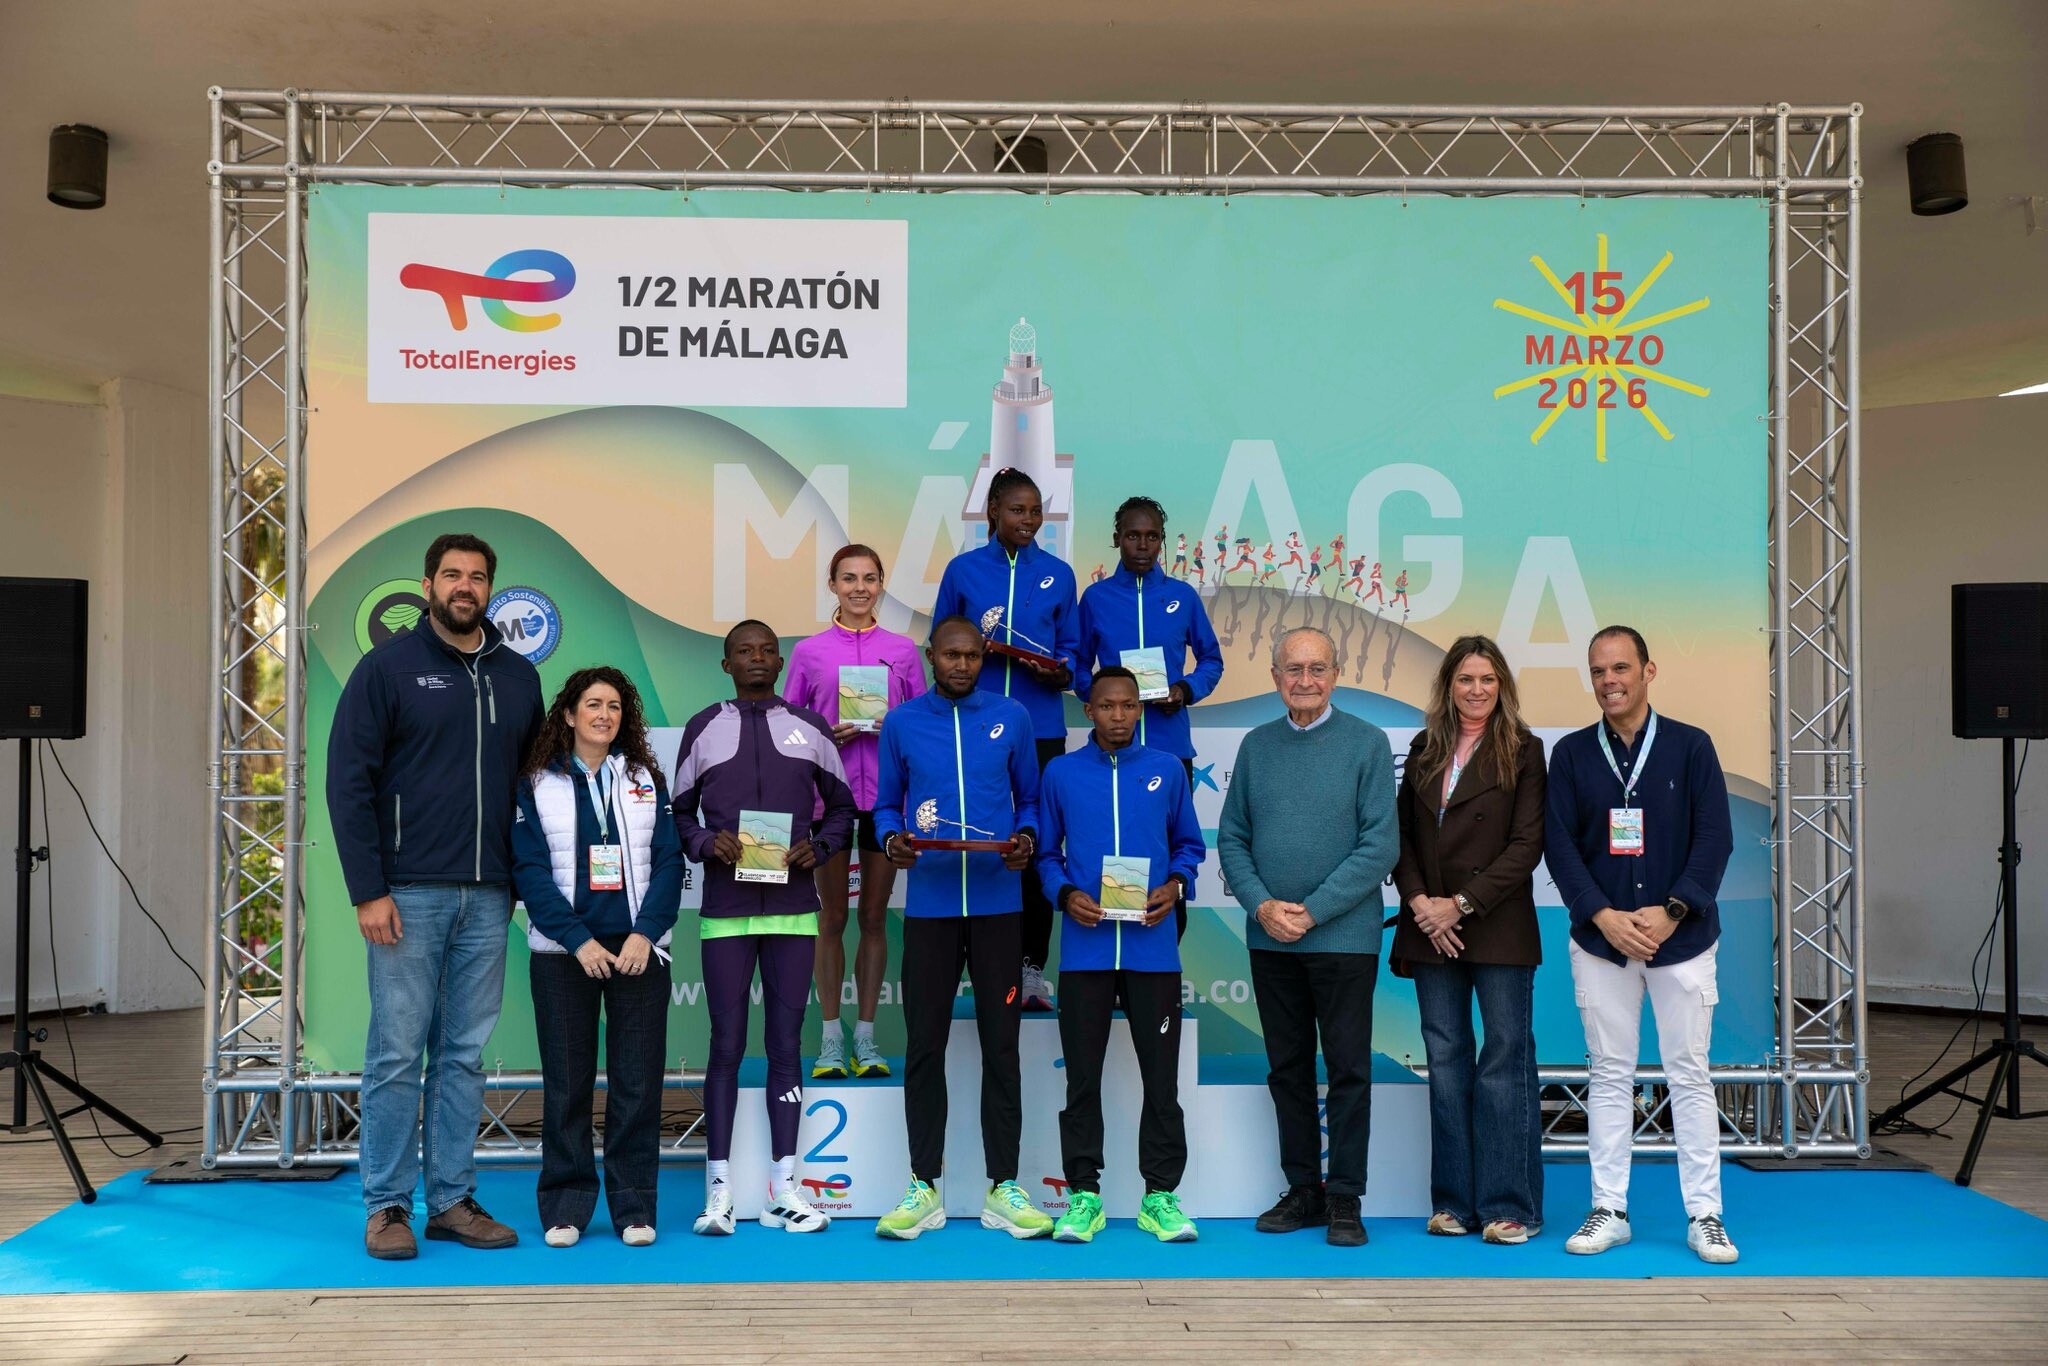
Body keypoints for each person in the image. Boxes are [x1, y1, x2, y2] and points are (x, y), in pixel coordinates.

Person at [329, 533, 544, 1262]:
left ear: (490, 589)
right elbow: (348, 782)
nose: (464, 586)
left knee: (464, 1055)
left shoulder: (518, 676)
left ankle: (451, 1200)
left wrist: (522, 883)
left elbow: (530, 789)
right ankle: (387, 1205)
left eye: (477, 577)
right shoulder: (386, 667)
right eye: (451, 574)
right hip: (407, 893)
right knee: (396, 1053)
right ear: (427, 586)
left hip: (488, 896)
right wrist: (368, 890)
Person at [1546, 625, 1738, 1265]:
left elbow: (1715, 837)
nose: (1610, 681)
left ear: (1648, 671)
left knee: (1689, 1074)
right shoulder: (1571, 755)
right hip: (1602, 942)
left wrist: (1673, 910)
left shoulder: (1691, 746)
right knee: (1609, 1075)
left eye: (1621, 668)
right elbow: (1559, 847)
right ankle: (1610, 1209)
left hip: (1682, 940)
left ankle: (1706, 1215)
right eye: (1599, 671)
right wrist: (1602, 915)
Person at [672, 621, 857, 1237]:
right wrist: (706, 842)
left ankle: (785, 1189)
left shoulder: (811, 727)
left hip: (793, 911)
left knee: (785, 1046)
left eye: (767, 650)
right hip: (726, 912)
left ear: (781, 662)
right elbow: (679, 813)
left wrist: (820, 847)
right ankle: (718, 1193)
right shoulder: (703, 727)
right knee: (725, 1048)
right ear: (726, 664)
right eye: (744, 651)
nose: (757, 658)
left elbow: (844, 809)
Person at [870, 616, 1050, 1241]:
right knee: (925, 1047)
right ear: (931, 656)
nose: (962, 665)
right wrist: (891, 839)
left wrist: (1026, 838)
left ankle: (1004, 1186)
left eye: (972, 655)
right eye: (951, 655)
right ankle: (924, 1186)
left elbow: (1031, 802)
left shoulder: (1012, 717)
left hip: (1000, 908)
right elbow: (885, 806)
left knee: (1003, 1047)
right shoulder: (901, 722)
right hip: (931, 911)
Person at [1217, 625, 1397, 1248]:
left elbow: (1380, 846)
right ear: (1275, 678)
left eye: (1317, 668)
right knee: (1287, 1069)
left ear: (1336, 675)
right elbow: (1232, 838)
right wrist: (1263, 906)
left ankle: (1344, 1195)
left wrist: (1312, 912)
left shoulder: (1368, 743)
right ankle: (1303, 1189)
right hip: (1271, 940)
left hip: (1344, 940)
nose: (1305, 680)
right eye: (1293, 669)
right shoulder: (1256, 746)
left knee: (1348, 1069)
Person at [512, 667, 683, 1249]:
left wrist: (646, 934)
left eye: (613, 706)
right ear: (568, 714)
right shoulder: (536, 782)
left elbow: (669, 861)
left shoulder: (643, 778)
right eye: (592, 704)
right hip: (565, 955)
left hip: (638, 953)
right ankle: (565, 1206)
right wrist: (577, 940)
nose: (604, 715)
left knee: (638, 1085)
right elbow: (529, 870)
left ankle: (635, 1208)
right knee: (567, 1085)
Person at [1035, 667, 1207, 1244]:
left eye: (1128, 705)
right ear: (1089, 711)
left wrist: (1176, 885)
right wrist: (1065, 894)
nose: (1118, 715)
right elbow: (1046, 855)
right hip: (1085, 953)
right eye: (1107, 706)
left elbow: (1189, 846)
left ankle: (1160, 1197)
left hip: (1152, 952)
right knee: (1082, 1081)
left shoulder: (1166, 769)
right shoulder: (1061, 773)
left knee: (1161, 1081)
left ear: (1140, 709)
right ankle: (1084, 1196)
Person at [1390, 636, 1547, 1245]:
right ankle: (1454, 1202)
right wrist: (1421, 904)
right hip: (1430, 928)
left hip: (1495, 925)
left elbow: (1526, 846)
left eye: (1486, 679)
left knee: (1504, 1063)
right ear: (1448, 686)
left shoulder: (1524, 751)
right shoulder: (1425, 747)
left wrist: (1458, 905)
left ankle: (1510, 1205)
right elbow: (1401, 835)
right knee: (1447, 1061)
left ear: (1501, 685)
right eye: (1465, 679)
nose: (1476, 690)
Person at [931, 468, 1079, 1012]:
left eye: (1036, 510)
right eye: (1018, 509)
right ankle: (979, 965)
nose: (1029, 520)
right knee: (981, 839)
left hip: (1041, 730)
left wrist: (1060, 672)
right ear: (992, 511)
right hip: (973, 731)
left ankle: (1031, 968)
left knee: (1034, 845)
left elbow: (1073, 652)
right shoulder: (964, 570)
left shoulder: (1059, 574)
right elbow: (941, 642)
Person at [784, 544, 928, 1081]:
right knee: (831, 918)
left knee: (872, 917)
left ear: (881, 583)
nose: (860, 588)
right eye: (849, 578)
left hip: (887, 803)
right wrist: (824, 733)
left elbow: (924, 723)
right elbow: (789, 728)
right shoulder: (809, 652)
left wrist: (895, 728)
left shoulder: (903, 651)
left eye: (869, 578)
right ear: (833, 585)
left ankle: (865, 1038)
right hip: (829, 802)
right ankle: (829, 1039)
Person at [1075, 496, 1224, 937]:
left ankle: (1165, 953)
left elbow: (1211, 660)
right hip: (1108, 754)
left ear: (1162, 541)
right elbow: (1078, 666)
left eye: (1152, 536)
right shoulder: (1096, 598)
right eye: (1133, 536)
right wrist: (1104, 700)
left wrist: (1185, 689)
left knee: (1173, 850)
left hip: (1170, 749)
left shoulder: (1182, 596)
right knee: (1110, 842)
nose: (1142, 545)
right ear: (1117, 539)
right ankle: (1113, 954)